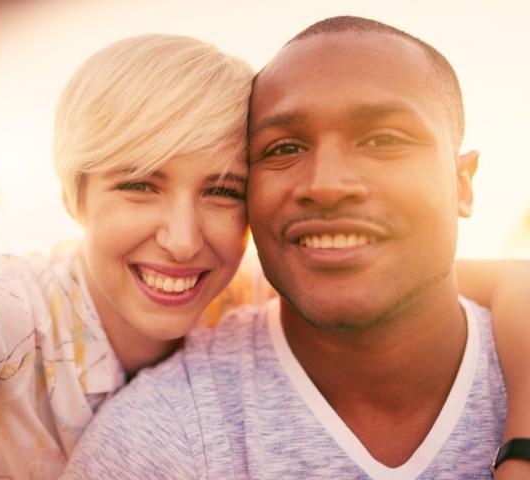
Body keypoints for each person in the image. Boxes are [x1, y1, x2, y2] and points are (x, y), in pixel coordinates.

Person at [0, 27, 527, 480]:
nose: (183, 240)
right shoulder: (12, 311)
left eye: (221, 191)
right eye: (138, 185)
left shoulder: (248, 284)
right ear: (74, 195)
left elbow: (483, 280)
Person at [62, 17, 530, 479]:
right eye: (284, 148)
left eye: (384, 139)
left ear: (463, 185)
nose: (326, 185)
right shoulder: (157, 443)